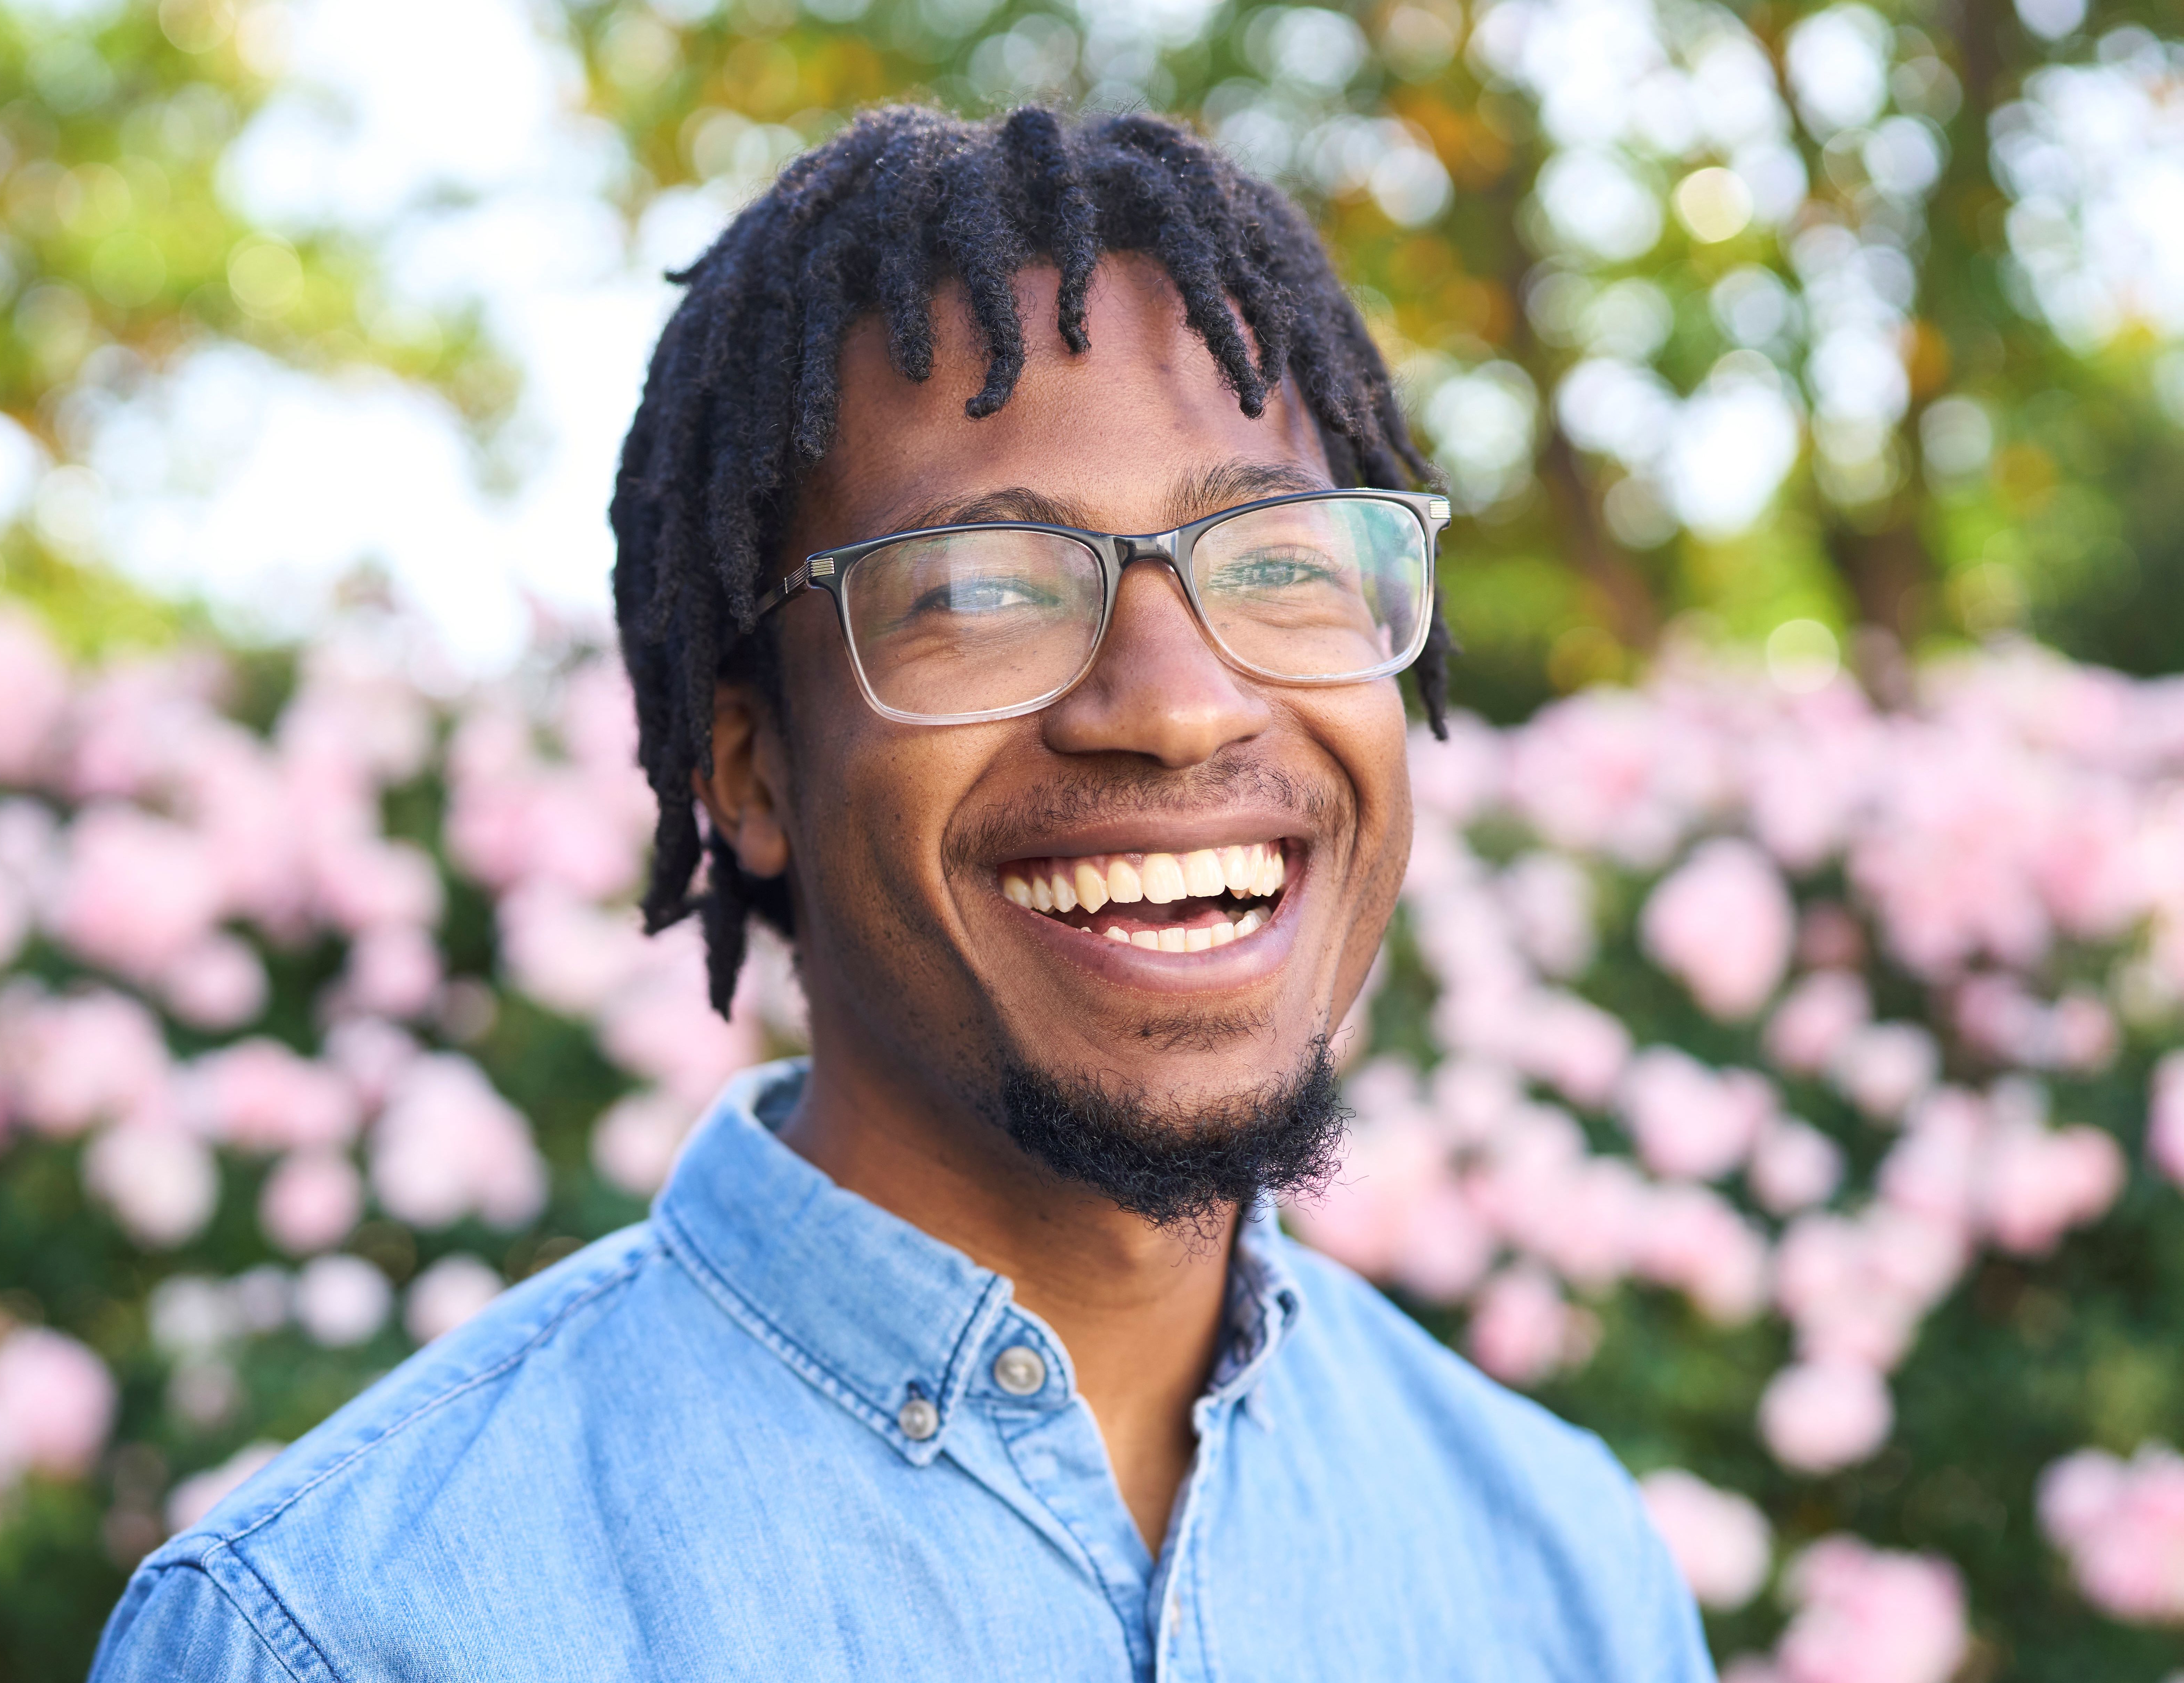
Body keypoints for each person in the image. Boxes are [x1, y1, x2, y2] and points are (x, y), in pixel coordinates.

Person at [91, 104, 1713, 1682]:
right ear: (753, 772)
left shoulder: (1557, 1571)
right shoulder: (336, 1634)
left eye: (1281, 561)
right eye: (985, 591)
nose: (1176, 705)